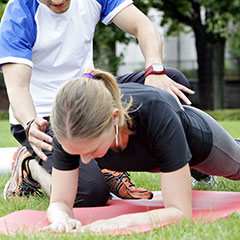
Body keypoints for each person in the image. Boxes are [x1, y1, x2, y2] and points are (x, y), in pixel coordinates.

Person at [0, 0, 196, 204]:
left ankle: (196, 167)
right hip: (44, 116)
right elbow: (18, 88)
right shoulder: (19, 14)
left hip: (90, 97)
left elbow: (143, 26)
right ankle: (29, 167)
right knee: (88, 194)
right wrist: (30, 123)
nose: (57, 1)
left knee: (171, 84)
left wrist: (155, 69)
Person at [43, 68, 240, 232]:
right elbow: (59, 201)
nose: (85, 161)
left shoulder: (157, 111)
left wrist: (119, 223)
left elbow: (180, 212)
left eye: (92, 149)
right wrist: (61, 218)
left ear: (114, 118)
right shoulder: (68, 129)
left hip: (196, 142)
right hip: (157, 152)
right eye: (77, 153)